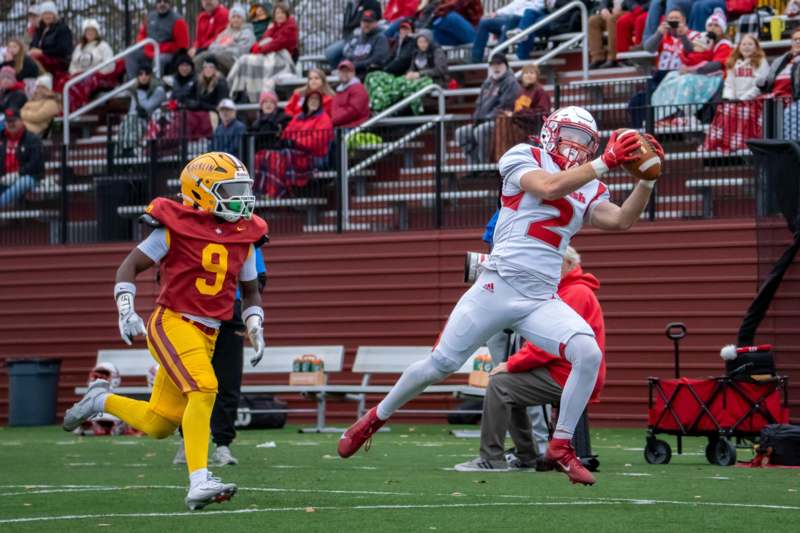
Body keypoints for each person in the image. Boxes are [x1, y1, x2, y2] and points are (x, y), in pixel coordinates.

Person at [337, 106, 665, 488]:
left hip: (541, 297)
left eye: (585, 142)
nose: (575, 147)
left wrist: (647, 180)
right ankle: (373, 418)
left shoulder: (591, 183)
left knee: (587, 353)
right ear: (550, 132)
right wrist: (606, 161)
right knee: (439, 364)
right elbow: (547, 188)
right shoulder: (522, 156)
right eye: (570, 136)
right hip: (497, 286)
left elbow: (620, 220)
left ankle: (560, 446)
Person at [62, 151, 268, 511]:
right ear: (202, 192)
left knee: (159, 423)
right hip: (172, 321)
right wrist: (126, 311)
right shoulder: (175, 226)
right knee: (205, 388)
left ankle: (99, 400)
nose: (241, 197)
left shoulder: (244, 234)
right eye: (231, 189)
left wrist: (256, 324)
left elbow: (250, 291)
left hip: (209, 332)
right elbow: (128, 268)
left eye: (242, 188)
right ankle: (199, 481)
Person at [454, 247, 607, 471]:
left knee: (500, 384)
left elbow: (547, 345)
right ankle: (526, 456)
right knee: (506, 384)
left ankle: (493, 457)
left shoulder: (574, 293)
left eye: (554, 262)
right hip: (568, 371)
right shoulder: (570, 290)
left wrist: (511, 364)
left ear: (568, 264)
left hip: (568, 375)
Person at [651, 8, 732, 124]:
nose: (712, 28)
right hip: (702, 76)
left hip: (718, 79)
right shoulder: (705, 39)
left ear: (723, 29)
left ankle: (684, 115)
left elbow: (715, 66)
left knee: (687, 81)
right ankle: (664, 115)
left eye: (716, 25)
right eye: (710, 25)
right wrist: (683, 39)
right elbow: (693, 55)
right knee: (671, 77)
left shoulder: (725, 44)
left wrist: (690, 70)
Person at [255, 91, 333, 198]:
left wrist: (295, 142)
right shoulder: (298, 117)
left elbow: (317, 140)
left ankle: (278, 192)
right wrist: (291, 141)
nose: (313, 102)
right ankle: (262, 191)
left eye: (316, 100)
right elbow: (286, 133)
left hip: (313, 156)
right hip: (296, 151)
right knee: (262, 155)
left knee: (277, 157)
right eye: (311, 99)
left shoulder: (324, 118)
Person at [628, 7, 697, 128]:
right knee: (636, 101)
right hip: (660, 76)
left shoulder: (693, 35)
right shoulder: (663, 36)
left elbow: (692, 51)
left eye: (677, 19)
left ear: (684, 21)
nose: (674, 22)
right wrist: (659, 32)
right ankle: (638, 134)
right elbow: (649, 48)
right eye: (670, 19)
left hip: (680, 78)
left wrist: (683, 36)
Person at [703, 34, 769, 153]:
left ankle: (742, 144)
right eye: (743, 44)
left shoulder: (761, 62)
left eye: (750, 44)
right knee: (724, 110)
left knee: (741, 112)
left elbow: (759, 85)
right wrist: (729, 98)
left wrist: (743, 99)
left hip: (753, 101)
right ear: (738, 47)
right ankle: (723, 145)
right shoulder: (733, 62)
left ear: (756, 47)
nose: (746, 47)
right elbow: (729, 83)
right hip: (736, 100)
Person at [455, 53, 520, 166]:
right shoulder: (488, 83)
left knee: (480, 130)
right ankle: (474, 166)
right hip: (482, 121)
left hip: (500, 123)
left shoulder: (511, 82)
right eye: (493, 65)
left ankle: (485, 166)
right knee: (461, 133)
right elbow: (479, 104)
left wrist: (485, 119)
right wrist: (476, 119)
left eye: (499, 64)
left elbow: (505, 105)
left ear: (505, 66)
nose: (496, 67)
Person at [227, 2, 297, 103]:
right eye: (277, 13)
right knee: (243, 60)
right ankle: (232, 88)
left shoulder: (290, 27)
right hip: (268, 55)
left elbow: (277, 44)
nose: (279, 15)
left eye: (282, 13)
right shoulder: (274, 27)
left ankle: (252, 97)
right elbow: (264, 39)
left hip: (282, 60)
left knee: (248, 61)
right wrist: (256, 47)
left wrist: (260, 49)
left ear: (286, 14)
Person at [365, 29, 447, 115]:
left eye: (424, 41)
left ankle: (404, 110)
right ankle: (381, 103)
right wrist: (410, 73)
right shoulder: (416, 53)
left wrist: (420, 74)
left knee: (408, 87)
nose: (422, 44)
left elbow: (439, 70)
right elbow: (412, 68)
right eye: (420, 42)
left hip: (434, 81)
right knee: (382, 79)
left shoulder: (437, 52)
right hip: (416, 79)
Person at [494, 63, 551, 157]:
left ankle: (502, 156)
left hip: (530, 127)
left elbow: (543, 113)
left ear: (537, 76)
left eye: (532, 73)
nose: (528, 75)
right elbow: (515, 109)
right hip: (518, 124)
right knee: (501, 119)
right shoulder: (521, 92)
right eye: (526, 73)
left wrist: (518, 113)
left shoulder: (540, 92)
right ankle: (500, 157)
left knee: (503, 123)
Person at [125, 0, 190, 79]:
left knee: (159, 59)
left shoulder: (177, 20)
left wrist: (163, 48)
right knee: (130, 53)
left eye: (165, 2)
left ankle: (155, 85)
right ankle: (134, 84)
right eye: (159, 1)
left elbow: (182, 46)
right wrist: (144, 45)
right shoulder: (150, 17)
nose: (162, 4)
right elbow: (142, 34)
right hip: (148, 50)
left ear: (169, 3)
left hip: (167, 54)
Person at [67, 19, 119, 112]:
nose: (90, 33)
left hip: (98, 77)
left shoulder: (103, 46)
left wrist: (95, 73)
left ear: (97, 32)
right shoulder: (79, 48)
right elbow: (73, 65)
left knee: (85, 81)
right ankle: (70, 110)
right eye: (87, 31)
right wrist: (77, 73)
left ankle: (81, 108)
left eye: (92, 30)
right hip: (80, 76)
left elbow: (110, 65)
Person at [471, 0, 546, 64]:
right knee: (484, 22)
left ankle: (498, 56)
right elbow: (513, 6)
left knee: (512, 18)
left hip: (523, 20)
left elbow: (537, 8)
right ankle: (475, 60)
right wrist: (497, 13)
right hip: (510, 18)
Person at [116, 63, 166, 156]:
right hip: (138, 119)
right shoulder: (136, 90)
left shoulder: (158, 90)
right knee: (127, 121)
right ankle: (124, 150)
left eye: (146, 74)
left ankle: (130, 149)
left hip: (153, 120)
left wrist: (138, 91)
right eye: (140, 74)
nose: (143, 77)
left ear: (151, 76)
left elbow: (147, 107)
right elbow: (132, 110)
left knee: (134, 121)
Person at [0, 107, 44, 208]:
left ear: (21, 121)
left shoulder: (32, 139)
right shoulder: (2, 138)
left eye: (13, 121)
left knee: (25, 182)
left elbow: (35, 163)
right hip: (4, 177)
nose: (10, 124)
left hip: (28, 176)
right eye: (8, 121)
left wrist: (18, 174)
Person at [761, 28, 800, 139]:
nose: (797, 42)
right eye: (795, 39)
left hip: (792, 99)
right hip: (774, 97)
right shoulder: (781, 60)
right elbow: (769, 79)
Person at [194, 5, 256, 75]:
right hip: (218, 57)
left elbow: (241, 51)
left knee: (207, 57)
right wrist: (224, 47)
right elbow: (212, 46)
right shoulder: (225, 32)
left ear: (243, 19)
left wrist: (224, 48)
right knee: (200, 58)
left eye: (239, 17)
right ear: (230, 19)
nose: (236, 20)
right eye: (233, 17)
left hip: (235, 61)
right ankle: (198, 81)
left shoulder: (247, 33)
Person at [325, 0, 382, 69]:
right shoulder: (350, 4)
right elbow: (346, 24)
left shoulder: (372, 3)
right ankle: (340, 71)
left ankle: (343, 70)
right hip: (348, 38)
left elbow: (374, 23)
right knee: (330, 53)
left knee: (331, 53)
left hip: (361, 38)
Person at [28, 1, 73, 87]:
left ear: (54, 15)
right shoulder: (40, 29)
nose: (47, 16)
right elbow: (33, 45)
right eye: (45, 14)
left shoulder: (62, 28)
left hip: (58, 61)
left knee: (33, 61)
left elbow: (64, 49)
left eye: (50, 13)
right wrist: (32, 51)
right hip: (41, 59)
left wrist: (42, 52)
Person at [341, 9, 390, 79]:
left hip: (369, 75)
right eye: (364, 21)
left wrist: (355, 65)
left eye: (369, 22)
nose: (366, 24)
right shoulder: (356, 37)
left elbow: (377, 60)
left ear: (375, 23)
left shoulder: (380, 38)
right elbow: (347, 54)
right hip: (352, 74)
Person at [332, 60, 370, 128]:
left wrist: (333, 120)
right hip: (342, 126)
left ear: (353, 73)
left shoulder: (358, 88)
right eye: (342, 71)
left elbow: (353, 111)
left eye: (347, 71)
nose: (344, 73)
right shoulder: (339, 90)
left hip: (355, 128)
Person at [588, 1, 627, 69]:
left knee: (612, 20)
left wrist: (622, 7)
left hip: (628, 12)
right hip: (612, 14)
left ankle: (613, 58)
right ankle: (598, 58)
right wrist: (604, 9)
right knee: (593, 21)